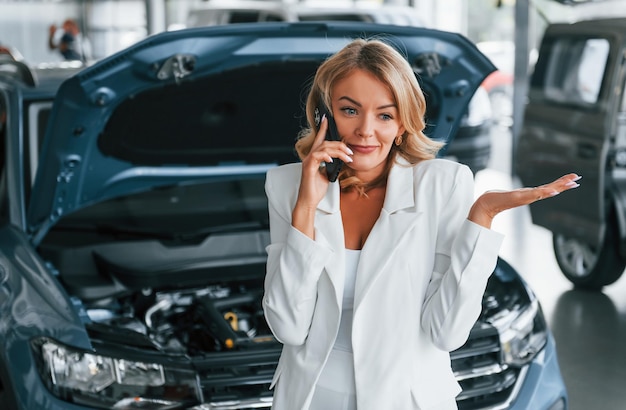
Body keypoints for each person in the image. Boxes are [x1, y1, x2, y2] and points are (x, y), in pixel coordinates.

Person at [262, 37, 581, 410]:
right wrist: (306, 206)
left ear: (402, 124)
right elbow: (287, 326)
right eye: (350, 111)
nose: (366, 130)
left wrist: (482, 218)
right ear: (325, 116)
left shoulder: (444, 185)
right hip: (314, 397)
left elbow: (446, 332)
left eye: (385, 114)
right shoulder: (286, 187)